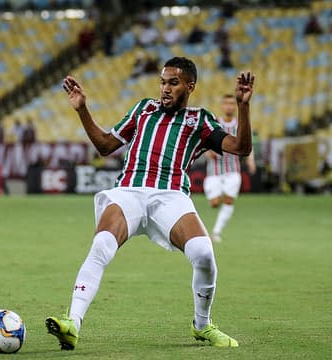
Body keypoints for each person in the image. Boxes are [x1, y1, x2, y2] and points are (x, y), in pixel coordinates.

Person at [45, 57, 254, 349]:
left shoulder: (200, 119)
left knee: (204, 253)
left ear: (189, 86)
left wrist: (243, 106)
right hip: (129, 190)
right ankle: (72, 322)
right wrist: (82, 109)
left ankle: (202, 325)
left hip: (170, 196)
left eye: (173, 83)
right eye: (162, 82)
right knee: (102, 244)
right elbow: (106, 145)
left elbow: (241, 148)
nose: (165, 89)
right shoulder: (144, 109)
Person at [204, 94, 256, 243]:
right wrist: (208, 153)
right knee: (214, 203)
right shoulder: (215, 123)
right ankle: (214, 228)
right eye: (226, 104)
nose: (229, 107)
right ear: (222, 106)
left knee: (228, 200)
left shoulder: (241, 125)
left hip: (233, 171)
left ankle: (216, 232)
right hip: (214, 171)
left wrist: (250, 161)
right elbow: (204, 141)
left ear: (235, 106)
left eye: (232, 104)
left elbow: (248, 144)